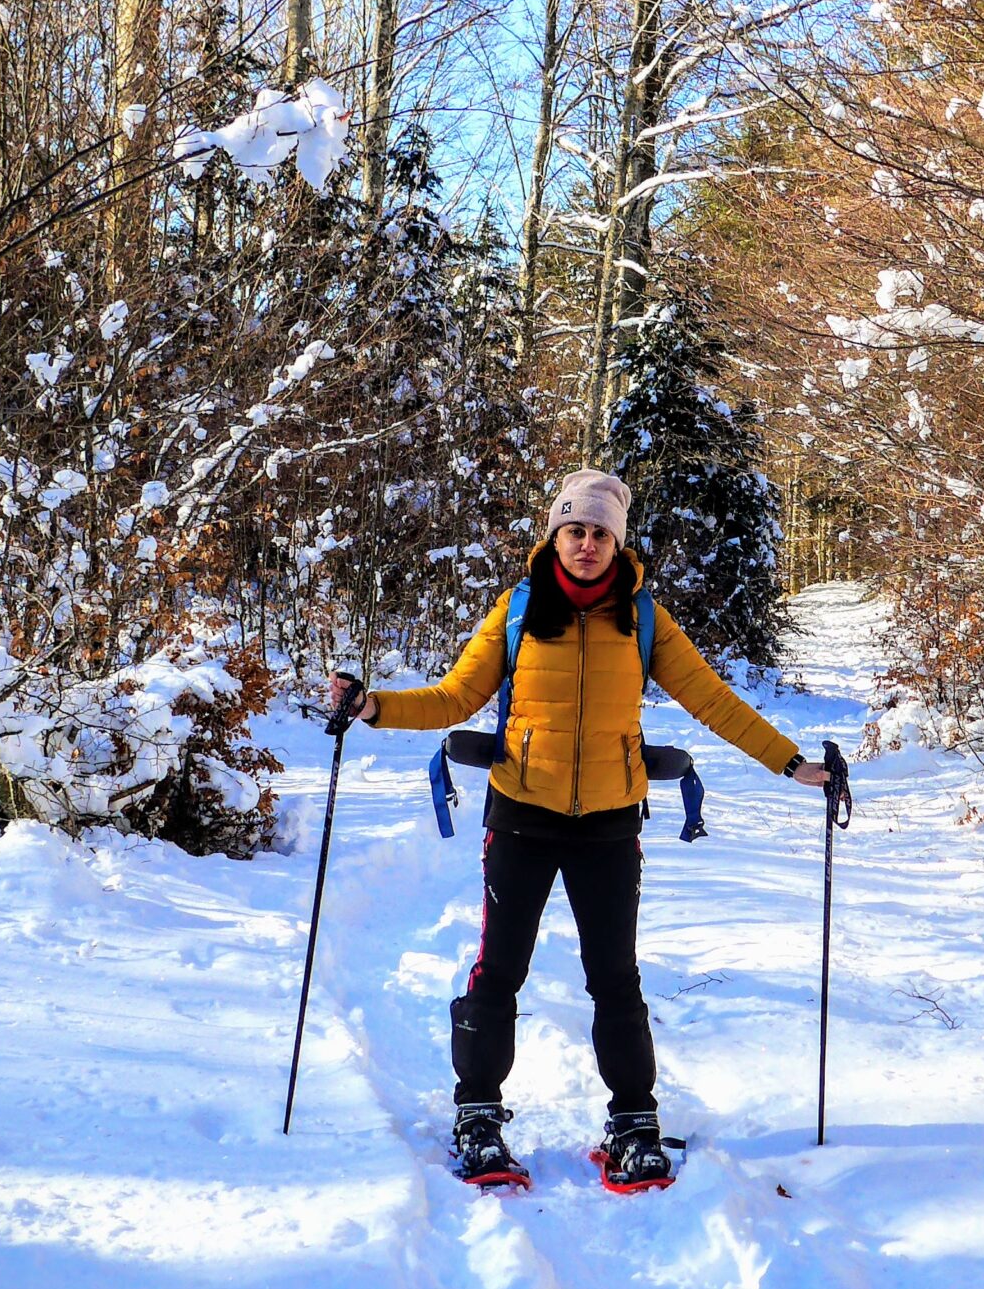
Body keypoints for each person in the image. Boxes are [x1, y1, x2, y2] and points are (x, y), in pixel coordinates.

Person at [329, 469, 831, 1191]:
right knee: (498, 971)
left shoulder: (644, 618)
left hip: (609, 822)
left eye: (601, 533)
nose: (588, 544)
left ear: (617, 542)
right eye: (576, 530)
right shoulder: (517, 611)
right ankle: (477, 1111)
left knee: (615, 979)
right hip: (521, 816)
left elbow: (714, 702)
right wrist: (373, 707)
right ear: (554, 535)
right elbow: (453, 697)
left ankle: (633, 1123)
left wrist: (793, 764)